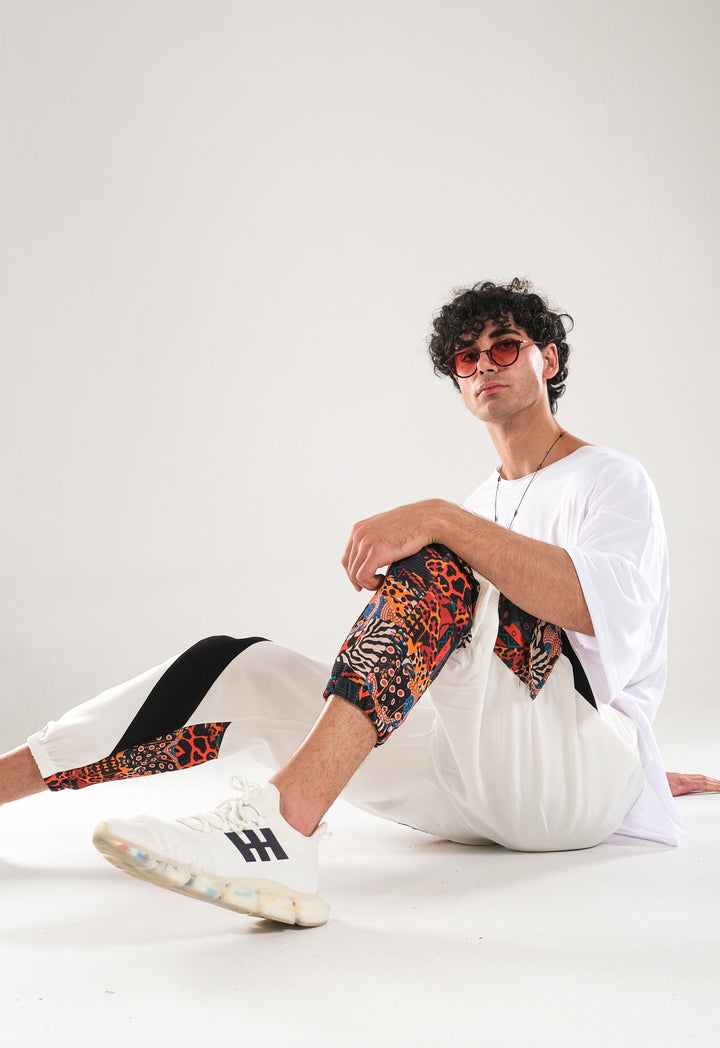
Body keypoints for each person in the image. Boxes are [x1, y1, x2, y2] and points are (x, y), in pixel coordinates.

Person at [1, 278, 717, 928]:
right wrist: (445, 535)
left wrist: (439, 520)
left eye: (505, 346)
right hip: (477, 787)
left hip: (575, 778)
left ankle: (281, 827)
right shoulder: (480, 502)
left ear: (548, 360)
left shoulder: (610, 477)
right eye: (467, 358)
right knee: (244, 665)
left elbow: (596, 610)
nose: (485, 364)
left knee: (437, 560)